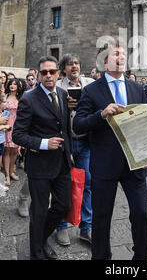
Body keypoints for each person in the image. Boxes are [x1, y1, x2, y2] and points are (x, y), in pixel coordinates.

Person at [73, 39, 147, 260]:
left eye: (123, 54)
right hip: (104, 164)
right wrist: (100, 114)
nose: (121, 58)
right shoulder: (91, 91)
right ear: (105, 60)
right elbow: (77, 125)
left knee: (142, 214)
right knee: (101, 217)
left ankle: (142, 259)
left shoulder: (137, 88)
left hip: (135, 164)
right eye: (115, 54)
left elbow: (144, 125)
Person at [12, 56, 73, 260]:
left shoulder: (63, 94)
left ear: (58, 73)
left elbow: (65, 128)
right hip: (39, 165)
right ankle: (36, 252)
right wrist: (44, 143)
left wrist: (69, 152)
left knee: (63, 205)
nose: (48, 75)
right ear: (38, 75)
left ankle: (42, 238)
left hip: (62, 162)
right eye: (44, 72)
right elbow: (18, 135)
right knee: (38, 212)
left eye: (52, 72)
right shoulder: (29, 98)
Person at [55, 54, 94, 246]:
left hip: (85, 142)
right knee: (63, 185)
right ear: (63, 69)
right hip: (64, 144)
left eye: (77, 63)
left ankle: (86, 228)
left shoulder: (89, 84)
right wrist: (65, 107)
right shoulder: (57, 86)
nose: (74, 66)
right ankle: (61, 226)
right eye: (70, 64)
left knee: (86, 184)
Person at [3, 78, 22, 186]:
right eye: (10, 84)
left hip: (17, 126)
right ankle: (6, 175)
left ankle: (11, 171)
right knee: (7, 151)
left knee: (14, 150)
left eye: (14, 84)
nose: (12, 86)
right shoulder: (5, 96)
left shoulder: (21, 98)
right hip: (6, 126)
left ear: (18, 86)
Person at [0, 94, 11, 193]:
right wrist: (4, 127)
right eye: (4, 102)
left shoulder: (5, 113)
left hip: (1, 140)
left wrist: (7, 126)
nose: (6, 104)